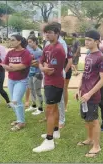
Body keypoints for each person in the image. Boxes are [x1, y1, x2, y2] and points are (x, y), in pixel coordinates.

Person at [33, 23, 66, 153]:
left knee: (50, 110)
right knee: (55, 108)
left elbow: (50, 71)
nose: (47, 34)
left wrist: (43, 68)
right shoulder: (47, 46)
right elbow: (41, 61)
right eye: (46, 32)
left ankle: (49, 140)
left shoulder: (58, 49)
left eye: (50, 32)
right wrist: (42, 67)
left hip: (54, 83)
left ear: (57, 33)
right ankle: (56, 131)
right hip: (49, 82)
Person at [75, 30, 103, 158]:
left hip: (92, 95)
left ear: (97, 41)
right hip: (84, 93)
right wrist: (79, 88)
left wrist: (89, 93)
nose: (86, 42)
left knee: (93, 120)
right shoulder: (88, 55)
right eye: (85, 39)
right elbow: (86, 73)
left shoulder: (101, 57)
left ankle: (96, 146)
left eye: (89, 40)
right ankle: (89, 138)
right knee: (86, 119)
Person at [0, 35, 32, 131]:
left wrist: (11, 65)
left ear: (19, 41)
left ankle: (21, 122)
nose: (11, 42)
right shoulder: (10, 52)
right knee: (13, 102)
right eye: (10, 40)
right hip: (11, 80)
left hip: (21, 80)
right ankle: (19, 119)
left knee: (16, 100)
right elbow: (4, 65)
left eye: (13, 40)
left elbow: (22, 66)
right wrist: (12, 66)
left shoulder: (26, 53)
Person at [25, 37, 44, 115]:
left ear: (35, 42)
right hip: (30, 73)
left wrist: (31, 62)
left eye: (30, 42)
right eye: (28, 42)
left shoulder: (40, 52)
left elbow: (38, 63)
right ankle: (33, 105)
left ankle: (40, 108)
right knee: (31, 89)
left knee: (37, 91)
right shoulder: (29, 50)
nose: (29, 43)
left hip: (38, 73)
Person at [64, 45, 73, 113]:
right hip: (57, 70)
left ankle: (65, 106)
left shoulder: (66, 47)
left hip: (66, 71)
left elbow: (70, 61)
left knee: (64, 88)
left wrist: (64, 72)